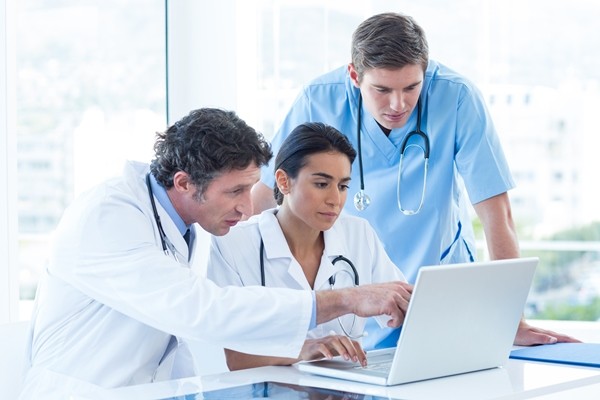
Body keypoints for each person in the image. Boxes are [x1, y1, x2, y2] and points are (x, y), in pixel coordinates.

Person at [19, 108, 412, 398]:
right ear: (185, 182)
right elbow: (201, 309)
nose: (247, 206)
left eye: (249, 188)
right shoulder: (109, 216)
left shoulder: (187, 225)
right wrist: (345, 299)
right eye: (235, 192)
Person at [250, 12, 578, 347]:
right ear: (354, 74)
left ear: (426, 70)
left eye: (411, 87)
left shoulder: (457, 98)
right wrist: (261, 303)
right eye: (381, 89)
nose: (398, 104)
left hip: (442, 286)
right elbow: (266, 196)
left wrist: (512, 318)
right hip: (357, 287)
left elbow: (497, 214)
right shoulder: (318, 99)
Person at [207, 122, 411, 371]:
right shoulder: (231, 244)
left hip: (347, 389)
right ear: (283, 181)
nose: (335, 200)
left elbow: (406, 308)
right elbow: (233, 358)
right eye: (322, 184)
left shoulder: (358, 234)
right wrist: (304, 349)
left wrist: (410, 310)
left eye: (343, 186)